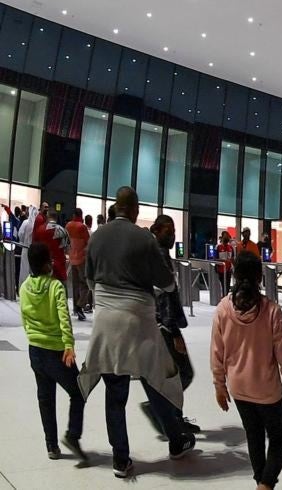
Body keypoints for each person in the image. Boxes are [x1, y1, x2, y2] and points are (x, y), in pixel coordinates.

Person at [78, 187, 194, 478]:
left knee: (115, 391)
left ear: (116, 207)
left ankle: (121, 460)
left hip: (105, 322)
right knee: (156, 380)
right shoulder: (144, 238)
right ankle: (177, 441)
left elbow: (90, 280)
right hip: (138, 322)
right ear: (135, 210)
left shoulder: (97, 236)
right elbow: (167, 283)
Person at [211, 252, 282, 490]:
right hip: (267, 390)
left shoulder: (222, 309)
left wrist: (220, 386)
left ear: (233, 274)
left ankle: (260, 481)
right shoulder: (271, 311)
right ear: (260, 277)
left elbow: (216, 353)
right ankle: (265, 485)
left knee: (254, 436)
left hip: (239, 389)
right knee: (279, 437)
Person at [21, 242, 87, 462]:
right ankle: (72, 434)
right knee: (78, 392)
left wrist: (32, 338)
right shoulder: (55, 286)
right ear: (46, 263)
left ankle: (51, 446)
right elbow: (63, 318)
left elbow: (25, 319)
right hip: (57, 352)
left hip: (36, 351)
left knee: (45, 398)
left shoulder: (24, 288)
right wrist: (68, 345)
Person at [141, 216, 199, 438]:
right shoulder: (159, 256)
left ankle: (173, 417)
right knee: (184, 373)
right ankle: (159, 408)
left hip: (158, 322)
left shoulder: (154, 253)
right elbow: (165, 295)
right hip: (163, 324)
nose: (173, 234)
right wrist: (174, 331)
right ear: (158, 230)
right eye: (169, 230)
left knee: (175, 374)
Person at [66, 208, 92, 320]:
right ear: (81, 215)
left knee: (75, 284)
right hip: (81, 258)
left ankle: (75, 308)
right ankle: (80, 306)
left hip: (72, 258)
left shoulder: (68, 225)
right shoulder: (82, 227)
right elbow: (88, 242)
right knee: (85, 284)